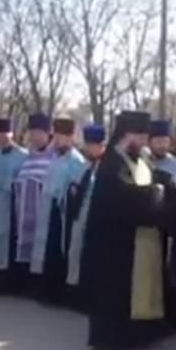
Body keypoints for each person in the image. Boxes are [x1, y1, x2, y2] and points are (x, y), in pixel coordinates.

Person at [81, 110, 176, 350]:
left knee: (142, 286)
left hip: (138, 239)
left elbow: (154, 174)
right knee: (118, 291)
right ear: (128, 136)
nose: (145, 142)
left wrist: (172, 181)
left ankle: (142, 331)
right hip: (115, 242)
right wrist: (156, 193)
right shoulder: (112, 163)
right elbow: (125, 196)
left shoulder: (138, 158)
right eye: (142, 137)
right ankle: (114, 338)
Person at [30, 118, 86, 306]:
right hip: (50, 208)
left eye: (62, 137)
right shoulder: (55, 159)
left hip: (65, 212)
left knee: (62, 250)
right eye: (56, 137)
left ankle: (60, 294)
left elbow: (76, 187)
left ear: (71, 138)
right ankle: (47, 290)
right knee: (49, 249)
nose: (58, 141)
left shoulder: (77, 161)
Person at [148, 119, 176, 329]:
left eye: (165, 141)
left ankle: (173, 317)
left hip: (172, 228)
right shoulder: (143, 164)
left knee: (172, 271)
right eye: (157, 141)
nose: (161, 145)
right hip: (148, 228)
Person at [65, 124, 107, 312]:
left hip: (97, 221)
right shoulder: (84, 166)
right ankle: (76, 294)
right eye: (87, 145)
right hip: (80, 216)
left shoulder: (107, 168)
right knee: (76, 254)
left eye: (92, 145)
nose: (89, 148)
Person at [12, 113, 54, 294]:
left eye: (39, 133)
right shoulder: (27, 157)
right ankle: (23, 283)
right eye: (32, 133)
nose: (35, 137)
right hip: (23, 216)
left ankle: (40, 286)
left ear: (47, 133)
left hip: (43, 215)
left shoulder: (54, 157)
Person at [0, 118, 28, 292]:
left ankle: (11, 284)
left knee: (11, 243)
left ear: (10, 135)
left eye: (3, 135)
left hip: (13, 207)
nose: (0, 139)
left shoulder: (23, 156)